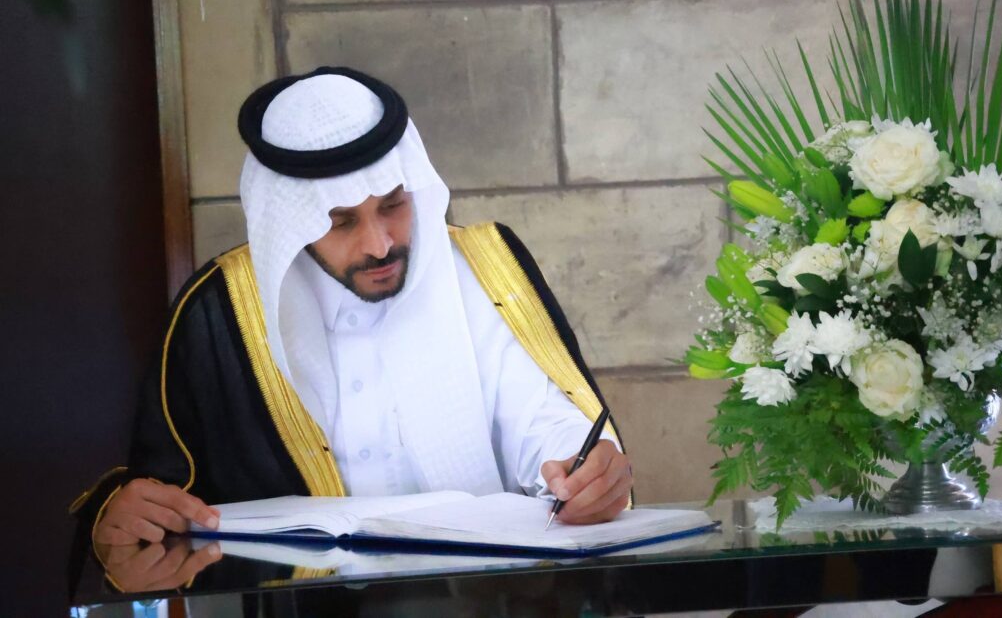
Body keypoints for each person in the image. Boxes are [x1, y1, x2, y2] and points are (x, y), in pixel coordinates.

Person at [72, 67, 631, 553]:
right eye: (341, 221)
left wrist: (585, 473)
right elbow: (160, 493)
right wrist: (123, 516)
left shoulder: (482, 271)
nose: (380, 244)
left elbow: (544, 421)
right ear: (292, 219)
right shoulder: (219, 315)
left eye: (394, 206)